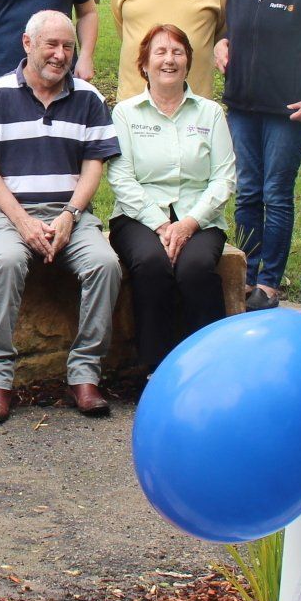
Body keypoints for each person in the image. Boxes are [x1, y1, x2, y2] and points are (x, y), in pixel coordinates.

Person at [0, 10, 122, 423]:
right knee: (9, 260)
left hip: (71, 213)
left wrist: (71, 214)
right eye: (51, 44)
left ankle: (84, 374)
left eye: (68, 46)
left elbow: (94, 166)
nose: (60, 54)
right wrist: (22, 221)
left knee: (105, 265)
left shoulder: (89, 98)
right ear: (27, 44)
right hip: (8, 213)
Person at [108, 23, 237, 370]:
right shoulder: (125, 113)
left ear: (189, 61)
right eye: (160, 52)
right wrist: (162, 225)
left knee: (195, 268)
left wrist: (189, 223)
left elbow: (224, 177)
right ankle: (154, 370)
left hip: (200, 217)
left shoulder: (210, 113)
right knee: (151, 265)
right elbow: (121, 178)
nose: (169, 60)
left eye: (178, 52)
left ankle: (210, 367)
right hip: (138, 218)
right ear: (145, 63)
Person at [215, 0, 301, 311]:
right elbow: (231, 30)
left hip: (289, 111)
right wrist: (220, 44)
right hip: (243, 106)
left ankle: (270, 282)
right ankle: (246, 273)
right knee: (246, 191)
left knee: (276, 193)